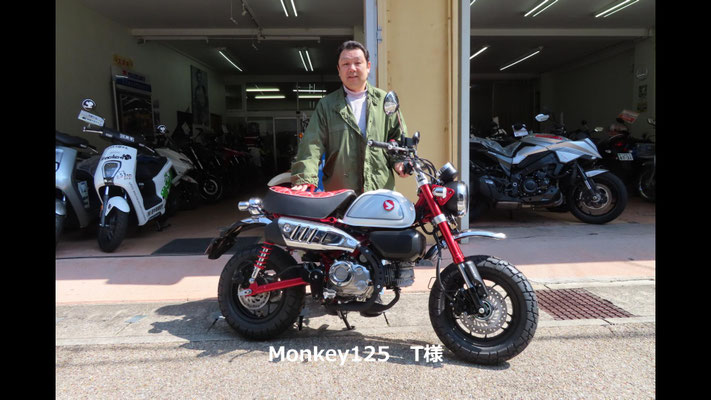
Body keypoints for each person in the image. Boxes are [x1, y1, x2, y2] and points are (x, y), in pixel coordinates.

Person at [291, 40, 407, 194]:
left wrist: (400, 162)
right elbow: (312, 144)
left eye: (358, 63)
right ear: (339, 70)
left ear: (368, 66)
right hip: (341, 193)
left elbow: (397, 138)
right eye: (346, 64)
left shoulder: (384, 101)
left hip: (379, 191)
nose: (352, 68)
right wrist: (305, 176)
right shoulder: (327, 106)